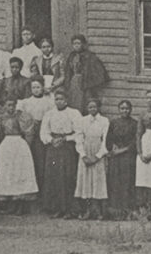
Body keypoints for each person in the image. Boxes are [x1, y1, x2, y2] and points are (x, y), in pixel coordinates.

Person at [40, 89, 81, 218]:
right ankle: (55, 208)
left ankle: (68, 209)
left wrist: (66, 139)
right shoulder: (49, 114)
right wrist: (51, 140)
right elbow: (43, 132)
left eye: (61, 99)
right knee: (53, 176)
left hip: (67, 147)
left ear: (66, 101)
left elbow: (79, 132)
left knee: (67, 176)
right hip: (53, 147)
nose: (59, 102)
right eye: (57, 99)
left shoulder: (74, 113)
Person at [0, 96, 38, 214]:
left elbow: (28, 132)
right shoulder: (1, 118)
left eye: (13, 105)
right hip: (6, 145)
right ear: (4, 106)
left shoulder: (21, 116)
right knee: (7, 173)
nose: (11, 108)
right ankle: (9, 204)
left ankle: (20, 204)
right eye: (8, 105)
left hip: (19, 144)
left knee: (19, 172)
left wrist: (26, 146)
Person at [74, 97, 109, 219]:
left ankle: (98, 211)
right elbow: (78, 139)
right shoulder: (82, 120)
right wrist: (83, 155)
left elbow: (106, 140)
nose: (92, 109)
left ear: (98, 108)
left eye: (94, 107)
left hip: (98, 151)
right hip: (86, 151)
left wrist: (98, 156)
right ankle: (86, 210)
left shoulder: (104, 121)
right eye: (90, 107)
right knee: (85, 180)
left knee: (98, 181)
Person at [18, 75, 56, 191]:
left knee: (41, 159)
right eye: (33, 87)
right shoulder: (26, 102)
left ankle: (42, 188)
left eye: (38, 87)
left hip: (42, 132)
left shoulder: (49, 102)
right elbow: (22, 117)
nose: (35, 90)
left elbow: (51, 117)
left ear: (43, 87)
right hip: (30, 132)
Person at [106, 100, 138, 218]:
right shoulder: (113, 122)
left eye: (127, 108)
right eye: (122, 108)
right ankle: (114, 212)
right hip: (115, 157)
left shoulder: (135, 123)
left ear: (131, 110)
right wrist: (112, 146)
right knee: (114, 182)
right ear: (119, 109)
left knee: (127, 182)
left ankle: (126, 211)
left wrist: (124, 150)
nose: (125, 111)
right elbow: (108, 139)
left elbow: (135, 141)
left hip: (128, 156)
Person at [65, 34, 109, 112]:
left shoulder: (90, 56)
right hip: (73, 82)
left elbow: (99, 71)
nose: (76, 46)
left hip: (85, 83)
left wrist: (90, 83)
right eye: (74, 44)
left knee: (85, 103)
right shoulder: (72, 56)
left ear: (83, 44)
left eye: (78, 43)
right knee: (73, 102)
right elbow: (68, 71)